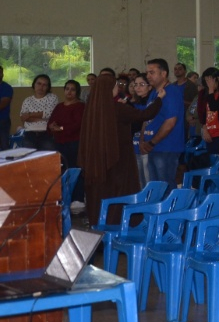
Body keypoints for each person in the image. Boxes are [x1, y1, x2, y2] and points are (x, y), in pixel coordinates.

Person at [78, 74, 164, 225]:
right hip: (118, 158)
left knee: (99, 194)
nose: (119, 88)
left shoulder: (90, 109)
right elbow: (145, 114)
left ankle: (99, 225)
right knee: (117, 193)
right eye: (116, 85)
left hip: (96, 161)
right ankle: (118, 226)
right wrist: (159, 99)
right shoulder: (117, 108)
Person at [140, 58, 185, 187]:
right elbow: (147, 117)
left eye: (152, 72)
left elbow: (170, 122)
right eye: (147, 72)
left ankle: (169, 208)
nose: (148, 76)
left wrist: (152, 142)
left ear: (163, 73)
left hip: (166, 147)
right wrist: (143, 140)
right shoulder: (154, 93)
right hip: (152, 146)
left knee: (164, 185)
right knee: (156, 187)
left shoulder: (171, 92)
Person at [48, 79, 85, 171]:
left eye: (72, 89)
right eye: (67, 89)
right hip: (58, 142)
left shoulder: (80, 106)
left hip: (73, 143)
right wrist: (51, 126)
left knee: (72, 168)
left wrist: (60, 128)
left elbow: (78, 124)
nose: (69, 91)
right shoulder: (59, 106)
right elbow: (51, 121)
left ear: (77, 92)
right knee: (60, 168)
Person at [20, 73, 58, 151]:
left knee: (47, 160)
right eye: (39, 83)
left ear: (48, 87)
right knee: (29, 160)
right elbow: (23, 117)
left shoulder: (52, 97)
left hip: (46, 134)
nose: (41, 87)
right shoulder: (28, 100)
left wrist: (30, 115)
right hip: (29, 134)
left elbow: (50, 113)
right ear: (34, 84)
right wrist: (43, 117)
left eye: (44, 85)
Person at [0, 66, 13, 150]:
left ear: (2, 74)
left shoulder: (7, 88)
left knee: (4, 145)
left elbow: (3, 104)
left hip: (2, 121)